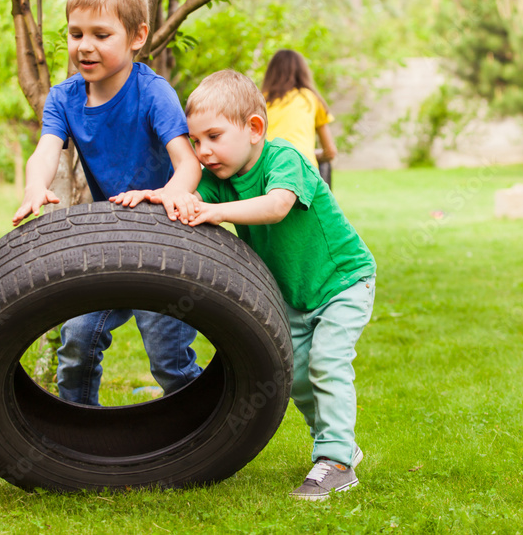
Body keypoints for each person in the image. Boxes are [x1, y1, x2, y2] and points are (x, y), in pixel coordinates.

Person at [141, 69, 376, 500]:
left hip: (342, 281)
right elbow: (188, 201)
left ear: (253, 129)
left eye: (213, 136)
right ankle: (336, 442)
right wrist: (160, 197)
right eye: (196, 141)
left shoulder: (285, 157)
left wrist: (216, 213)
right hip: (293, 295)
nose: (204, 151)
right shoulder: (220, 180)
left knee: (327, 362)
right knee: (298, 378)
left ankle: (336, 459)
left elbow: (277, 206)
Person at [11, 0, 203, 406]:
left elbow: (187, 162)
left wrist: (171, 193)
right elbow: (45, 150)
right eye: (75, 34)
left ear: (137, 36)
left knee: (168, 361)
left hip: (166, 240)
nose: (85, 46)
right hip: (113, 239)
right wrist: (35, 186)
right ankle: (77, 426)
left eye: (101, 34)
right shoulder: (64, 98)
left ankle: (200, 428)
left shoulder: (154, 94)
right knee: (77, 339)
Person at [261, 49, 337, 186]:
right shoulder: (310, 98)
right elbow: (330, 151)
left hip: (267, 165)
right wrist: (312, 154)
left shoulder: (261, 100)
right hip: (303, 167)